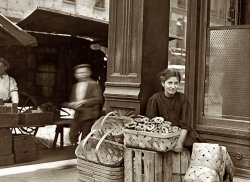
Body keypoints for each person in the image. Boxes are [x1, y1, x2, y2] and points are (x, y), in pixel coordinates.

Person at [145, 68, 205, 152]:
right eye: (169, 83)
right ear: (163, 84)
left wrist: (180, 143)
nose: (173, 87)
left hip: (182, 135)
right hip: (162, 136)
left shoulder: (182, 98)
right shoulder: (155, 99)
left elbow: (185, 125)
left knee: (200, 149)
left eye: (176, 83)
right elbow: (151, 124)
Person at [63, 64, 103, 144]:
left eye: (83, 72)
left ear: (89, 73)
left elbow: (98, 99)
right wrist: (71, 104)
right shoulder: (75, 86)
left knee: (85, 137)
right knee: (72, 135)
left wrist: (84, 102)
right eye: (79, 73)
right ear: (75, 75)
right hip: (78, 114)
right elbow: (73, 99)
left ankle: (83, 153)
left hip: (89, 114)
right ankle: (76, 150)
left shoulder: (93, 84)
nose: (81, 75)